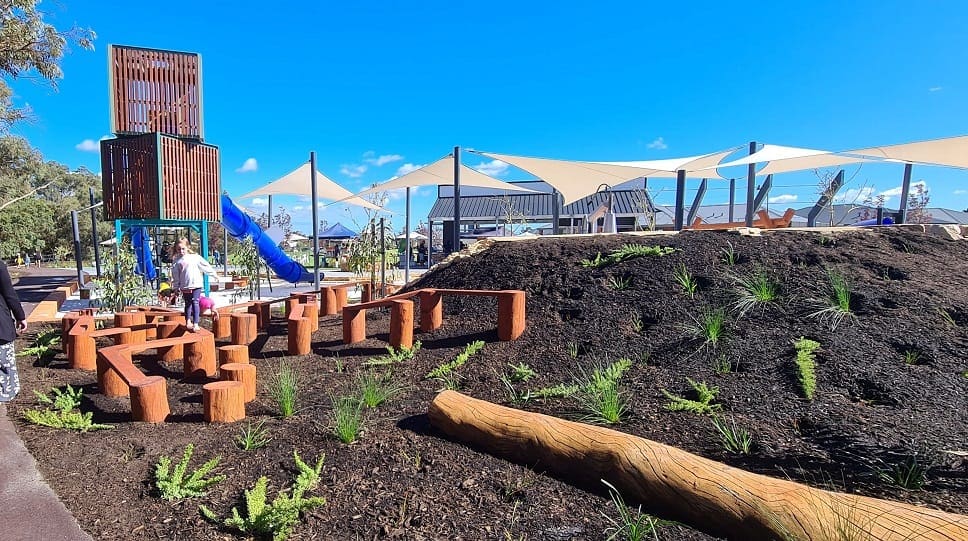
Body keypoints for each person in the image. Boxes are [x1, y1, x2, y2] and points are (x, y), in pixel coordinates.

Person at [170, 238, 219, 332]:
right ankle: (188, 321)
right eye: (179, 249)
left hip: (196, 284)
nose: (181, 251)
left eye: (183, 248)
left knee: (195, 302)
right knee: (188, 304)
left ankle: (196, 323)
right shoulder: (177, 261)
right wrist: (176, 288)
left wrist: (214, 274)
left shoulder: (195, 257)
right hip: (185, 286)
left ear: (188, 247)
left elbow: (205, 266)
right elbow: (175, 276)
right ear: (176, 249)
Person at [0, 259, 26, 402]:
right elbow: (9, 294)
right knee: (6, 363)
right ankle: (7, 394)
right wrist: (20, 316)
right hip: (1, 326)